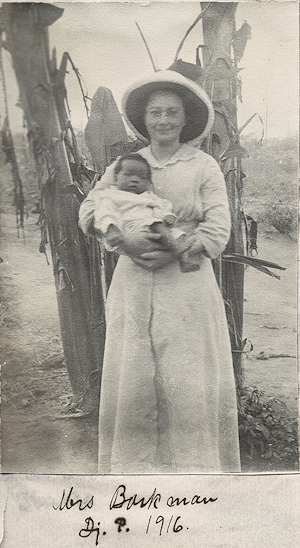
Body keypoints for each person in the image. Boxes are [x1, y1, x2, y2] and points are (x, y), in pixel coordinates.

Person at [79, 70, 241, 474]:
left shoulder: (203, 166)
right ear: (144, 119)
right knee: (135, 377)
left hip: (186, 286)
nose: (164, 120)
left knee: (186, 380)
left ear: (185, 119)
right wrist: (123, 242)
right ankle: (134, 477)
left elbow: (220, 228)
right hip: (133, 286)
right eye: (156, 113)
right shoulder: (126, 164)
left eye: (172, 113)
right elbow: (89, 208)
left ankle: (194, 477)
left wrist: (174, 250)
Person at [92, 152, 200, 272]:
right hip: (133, 229)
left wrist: (168, 215)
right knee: (155, 223)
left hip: (158, 231)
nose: (134, 180)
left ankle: (184, 262)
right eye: (128, 175)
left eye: (142, 178)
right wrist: (111, 229)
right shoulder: (111, 196)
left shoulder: (148, 196)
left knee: (179, 234)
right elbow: (105, 213)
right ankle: (176, 248)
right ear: (116, 177)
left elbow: (161, 205)